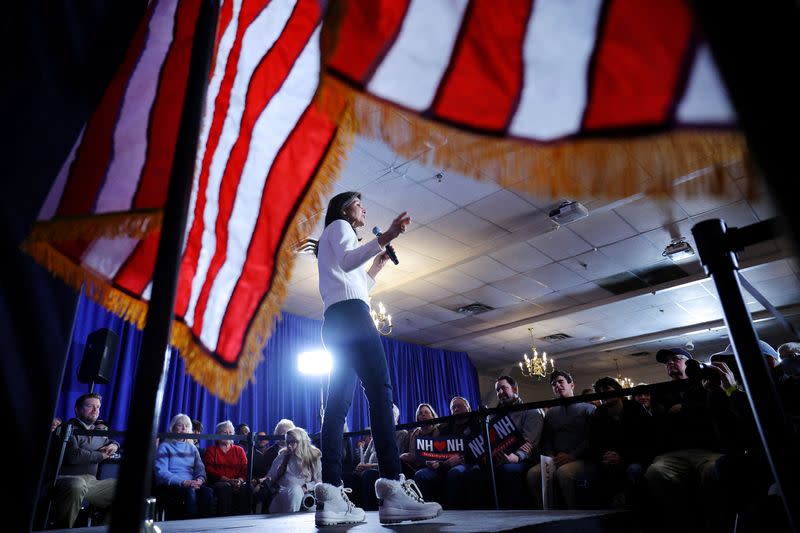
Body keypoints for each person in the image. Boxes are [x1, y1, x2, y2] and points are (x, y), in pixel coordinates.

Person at [312, 191, 441, 526]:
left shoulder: (333, 240)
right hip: (354, 319)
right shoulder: (340, 226)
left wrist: (378, 264)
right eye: (359, 203)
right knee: (381, 395)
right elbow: (347, 263)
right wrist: (387, 236)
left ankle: (331, 494)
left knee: (338, 405)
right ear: (344, 209)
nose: (364, 208)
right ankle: (394, 489)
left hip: (336, 320)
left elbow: (355, 283)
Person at [527, 371, 596, 509]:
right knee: (533, 474)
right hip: (557, 459)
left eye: (560, 382)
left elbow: (591, 438)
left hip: (582, 459)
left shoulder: (589, 408)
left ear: (572, 385)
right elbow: (547, 439)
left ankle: (573, 515)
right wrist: (551, 456)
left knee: (564, 473)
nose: (557, 385)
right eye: (553, 384)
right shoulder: (551, 413)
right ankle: (547, 514)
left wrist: (572, 456)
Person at [51, 393, 119, 528]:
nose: (95, 411)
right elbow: (74, 455)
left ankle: (103, 529)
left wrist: (115, 445)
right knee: (77, 484)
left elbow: (109, 441)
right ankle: (62, 530)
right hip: (65, 479)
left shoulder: (98, 432)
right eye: (90, 406)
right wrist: (100, 456)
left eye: (98, 407)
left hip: (91, 482)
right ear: (77, 409)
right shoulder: (66, 428)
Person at [153, 414, 214, 519]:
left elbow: (200, 469)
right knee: (189, 492)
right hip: (171, 485)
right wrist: (184, 482)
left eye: (186, 426)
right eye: (180, 425)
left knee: (207, 492)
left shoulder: (192, 448)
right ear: (173, 428)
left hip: (191, 483)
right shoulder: (164, 446)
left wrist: (199, 480)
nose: (184, 428)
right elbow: (161, 472)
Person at [265, 428, 322, 513]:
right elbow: (270, 476)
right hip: (283, 495)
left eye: (292, 442)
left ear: (301, 442)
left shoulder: (313, 457)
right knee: (294, 490)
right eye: (287, 442)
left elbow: (319, 482)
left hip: (306, 497)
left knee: (297, 492)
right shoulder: (283, 456)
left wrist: (306, 487)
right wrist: (264, 480)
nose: (288, 446)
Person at [203, 420, 253, 516]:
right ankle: (224, 520)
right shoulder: (211, 450)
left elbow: (245, 468)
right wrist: (228, 480)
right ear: (218, 435)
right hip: (219, 482)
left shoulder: (239, 450)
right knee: (225, 487)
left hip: (237, 482)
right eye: (225, 432)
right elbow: (209, 471)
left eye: (230, 432)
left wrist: (240, 480)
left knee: (247, 487)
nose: (228, 434)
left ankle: (244, 520)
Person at [252, 419, 295, 513]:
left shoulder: (297, 451)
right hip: (275, 482)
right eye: (280, 432)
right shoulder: (269, 452)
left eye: (285, 432)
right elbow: (267, 472)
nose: (283, 435)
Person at [400, 403, 440, 476]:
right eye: (420, 413)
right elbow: (409, 455)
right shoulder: (413, 434)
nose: (423, 415)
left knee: (420, 474)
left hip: (434, 467)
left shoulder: (440, 431)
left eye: (426, 412)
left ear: (432, 416)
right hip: (415, 467)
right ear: (417, 417)